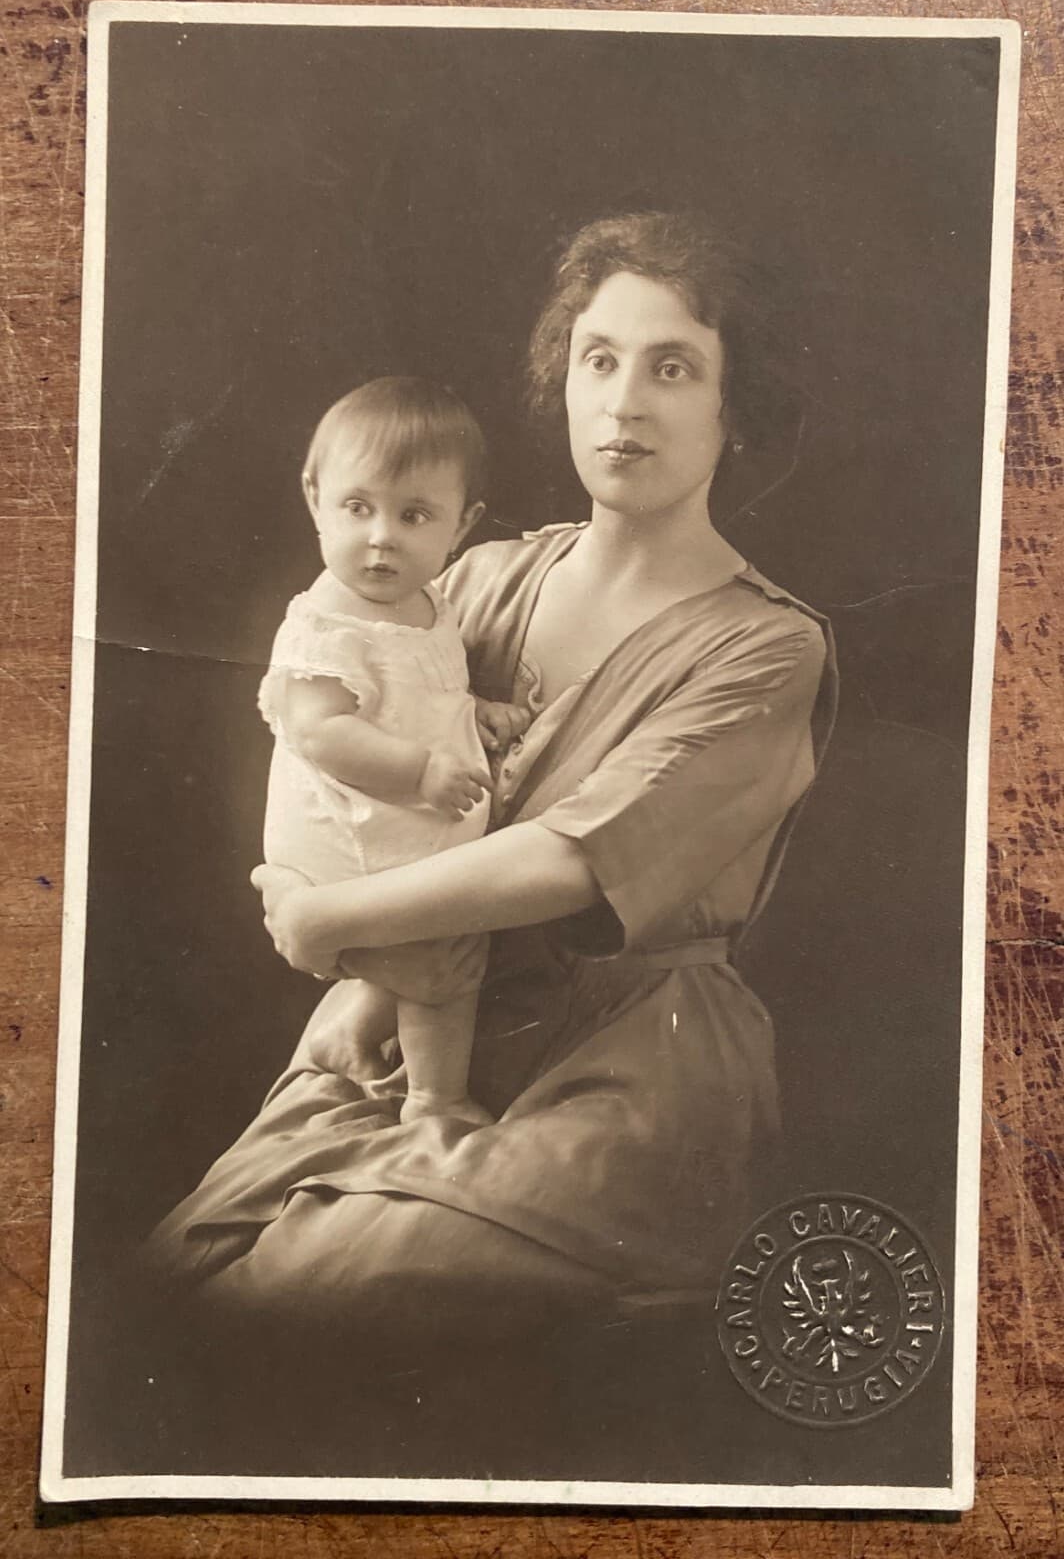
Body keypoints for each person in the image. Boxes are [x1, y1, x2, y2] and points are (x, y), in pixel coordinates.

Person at [149, 211, 837, 1357]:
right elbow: (349, 749)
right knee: (172, 1278)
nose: (623, 402)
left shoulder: (766, 648)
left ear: (737, 403)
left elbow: (573, 859)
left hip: (631, 1065)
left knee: (279, 1304)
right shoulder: (474, 577)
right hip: (420, 1020)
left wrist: (325, 918)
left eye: (673, 367)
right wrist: (363, 976)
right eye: (598, 359)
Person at [255, 376, 526, 1127]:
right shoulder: (325, 625)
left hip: (397, 815)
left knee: (435, 932)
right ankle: (436, 1102)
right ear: (316, 498)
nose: (382, 536)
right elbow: (322, 731)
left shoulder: (428, 604)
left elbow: (420, 696)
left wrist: (479, 712)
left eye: (413, 515)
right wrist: (421, 771)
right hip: (345, 830)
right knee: (444, 954)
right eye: (357, 507)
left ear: (460, 524)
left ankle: (353, 1033)